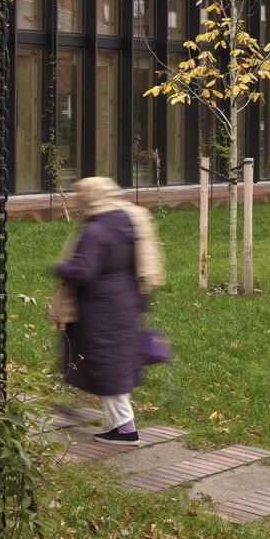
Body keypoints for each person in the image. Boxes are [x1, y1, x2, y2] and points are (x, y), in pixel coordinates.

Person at [50, 175, 166, 442]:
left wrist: (59, 267)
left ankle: (126, 429)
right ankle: (119, 425)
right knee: (110, 366)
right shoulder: (127, 221)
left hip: (99, 310)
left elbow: (83, 271)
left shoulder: (96, 230)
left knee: (107, 369)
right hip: (124, 303)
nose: (77, 202)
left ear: (91, 198)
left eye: (80, 197)